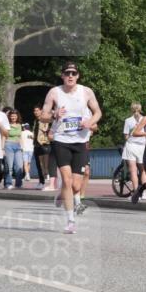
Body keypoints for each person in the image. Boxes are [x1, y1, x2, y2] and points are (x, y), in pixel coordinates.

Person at [40, 62, 102, 232]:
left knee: (75, 185)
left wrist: (90, 122)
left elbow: (98, 112)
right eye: (67, 73)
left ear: (78, 76)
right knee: (67, 180)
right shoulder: (55, 92)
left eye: (73, 73)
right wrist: (54, 114)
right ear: (62, 75)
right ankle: (70, 221)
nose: (70, 76)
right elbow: (43, 116)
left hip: (80, 142)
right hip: (61, 140)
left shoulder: (86, 91)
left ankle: (62, 194)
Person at [122, 103, 146, 199]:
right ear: (140, 109)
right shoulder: (145, 119)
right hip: (142, 147)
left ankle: (136, 193)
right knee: (143, 170)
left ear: (131, 110)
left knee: (133, 170)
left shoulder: (128, 121)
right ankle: (144, 192)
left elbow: (126, 136)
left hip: (131, 146)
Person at [31, 106, 54, 189]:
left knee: (46, 164)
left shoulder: (45, 119)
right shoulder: (35, 121)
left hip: (45, 143)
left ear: (41, 111)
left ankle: (49, 181)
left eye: (37, 110)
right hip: (36, 144)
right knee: (39, 165)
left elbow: (49, 129)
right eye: (34, 111)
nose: (36, 112)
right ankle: (41, 181)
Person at [3, 109, 24, 189]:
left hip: (18, 146)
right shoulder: (7, 125)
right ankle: (8, 183)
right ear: (9, 117)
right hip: (8, 145)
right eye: (12, 116)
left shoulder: (19, 125)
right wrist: (2, 149)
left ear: (17, 116)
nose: (13, 117)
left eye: (15, 116)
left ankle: (19, 184)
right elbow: (4, 136)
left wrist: (22, 147)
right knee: (9, 166)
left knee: (19, 166)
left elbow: (20, 136)